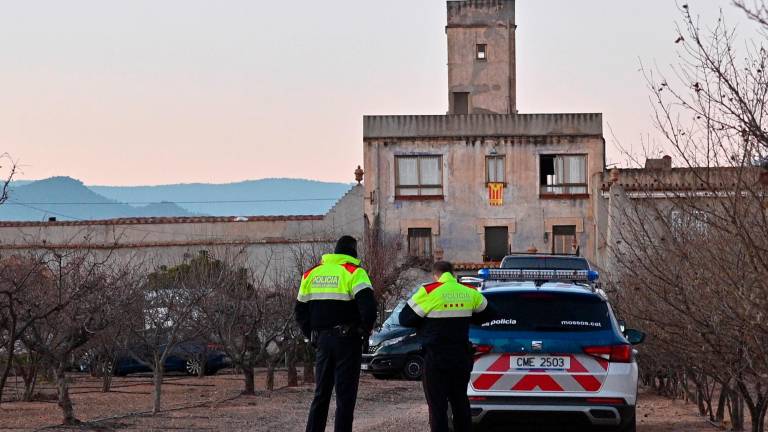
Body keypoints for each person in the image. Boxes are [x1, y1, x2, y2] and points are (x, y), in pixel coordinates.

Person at [399, 261, 494, 432]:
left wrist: (424, 322)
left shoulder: (429, 291)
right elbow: (491, 313)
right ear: (453, 273)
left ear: (435, 275)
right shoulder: (468, 291)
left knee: (437, 407)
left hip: (435, 359)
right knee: (460, 403)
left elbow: (404, 318)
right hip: (461, 357)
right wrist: (469, 318)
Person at [295, 235, 377, 432]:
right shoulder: (354, 272)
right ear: (353, 253)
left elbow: (300, 311)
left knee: (321, 393)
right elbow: (369, 309)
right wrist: (362, 332)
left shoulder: (311, 274)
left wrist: (312, 336)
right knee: (345, 396)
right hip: (348, 341)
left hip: (322, 341)